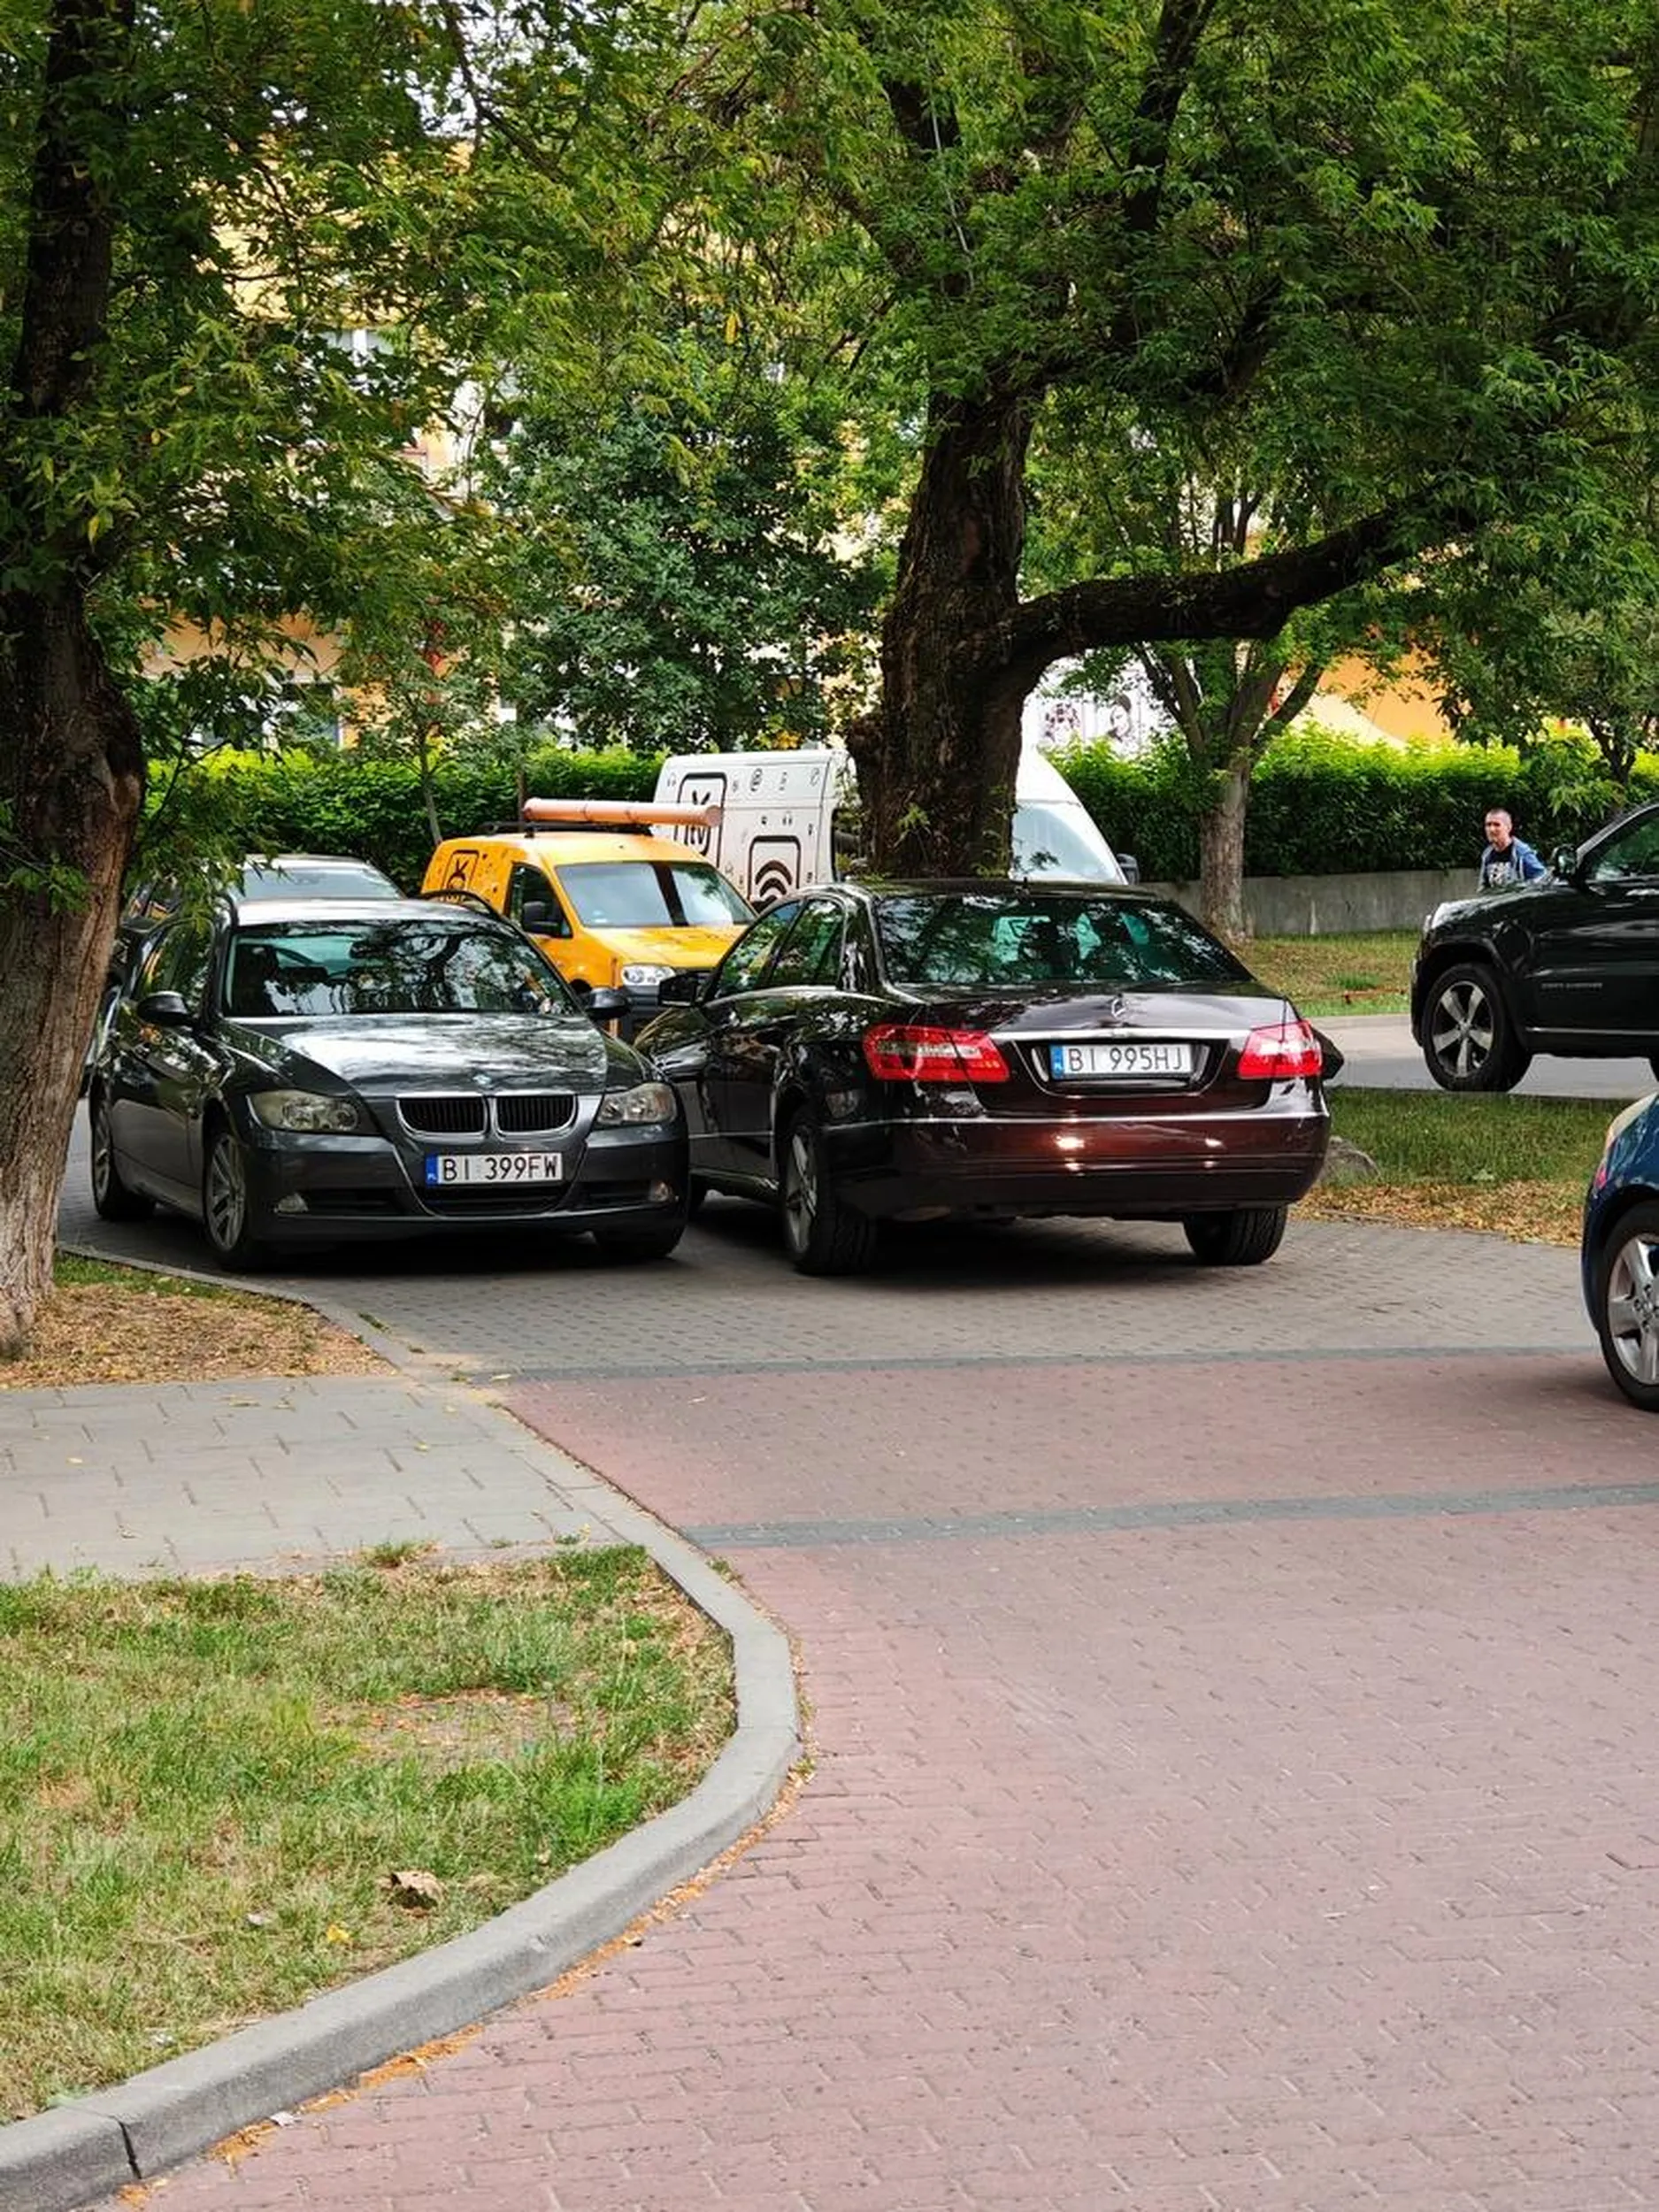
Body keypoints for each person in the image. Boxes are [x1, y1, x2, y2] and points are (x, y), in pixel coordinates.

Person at [1477, 807, 1548, 893]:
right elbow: (1483, 887)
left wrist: (1522, 889)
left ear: (1509, 827)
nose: (1492, 829)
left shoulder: (1522, 853)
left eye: (1497, 825)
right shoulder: (1487, 855)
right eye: (1488, 825)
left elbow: (1542, 879)